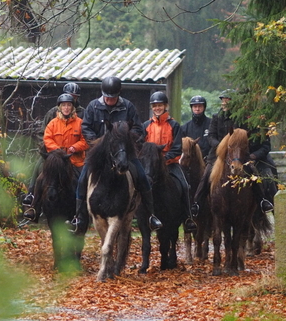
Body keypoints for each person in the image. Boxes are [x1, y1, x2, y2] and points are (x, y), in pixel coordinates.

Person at [71, 76, 162, 232]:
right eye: (107, 97)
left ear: (118, 94)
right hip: (99, 154)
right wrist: (98, 143)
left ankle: (151, 216)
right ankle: (78, 217)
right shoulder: (93, 107)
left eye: (112, 97)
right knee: (81, 180)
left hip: (123, 153)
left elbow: (138, 130)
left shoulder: (128, 107)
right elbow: (85, 128)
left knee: (142, 177)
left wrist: (126, 141)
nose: (109, 100)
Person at [191, 90, 275, 217]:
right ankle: (197, 204)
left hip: (238, 156)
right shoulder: (216, 117)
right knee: (207, 175)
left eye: (228, 100)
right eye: (223, 100)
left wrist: (251, 155)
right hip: (218, 155)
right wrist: (221, 147)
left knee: (253, 171)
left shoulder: (241, 119)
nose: (225, 103)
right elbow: (211, 137)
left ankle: (262, 200)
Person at [22, 82, 85, 221]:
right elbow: (44, 135)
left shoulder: (82, 115)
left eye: (74, 98)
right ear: (60, 104)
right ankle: (32, 200)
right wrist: (52, 150)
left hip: (74, 156)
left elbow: (86, 137)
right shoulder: (52, 116)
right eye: (66, 102)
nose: (68, 105)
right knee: (39, 172)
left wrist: (75, 148)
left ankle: (83, 211)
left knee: (83, 179)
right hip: (53, 155)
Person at [143, 91, 197, 233]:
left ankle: (187, 218)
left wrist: (163, 159)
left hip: (170, 164)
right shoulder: (146, 126)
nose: (157, 108)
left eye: (160, 105)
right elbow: (141, 146)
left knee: (185, 185)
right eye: (154, 106)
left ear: (165, 106)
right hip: (150, 166)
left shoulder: (174, 125)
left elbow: (177, 148)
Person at [181, 95, 212, 159]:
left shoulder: (212, 124)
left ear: (204, 108)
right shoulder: (185, 127)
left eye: (200, 106)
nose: (197, 109)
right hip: (190, 161)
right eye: (195, 106)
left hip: (209, 160)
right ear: (192, 108)